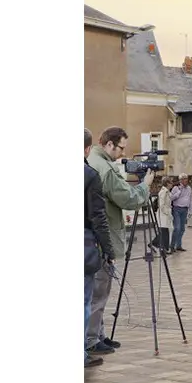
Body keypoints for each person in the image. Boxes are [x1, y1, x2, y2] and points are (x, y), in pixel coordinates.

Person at [85, 126, 152, 356]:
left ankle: (97, 334)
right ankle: (92, 339)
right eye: (121, 147)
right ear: (109, 144)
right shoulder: (104, 168)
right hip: (103, 239)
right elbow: (127, 198)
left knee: (97, 291)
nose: (123, 153)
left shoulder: (94, 161)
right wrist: (145, 186)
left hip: (94, 239)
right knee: (99, 291)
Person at [84, 129, 116, 369]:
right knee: (85, 300)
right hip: (84, 244)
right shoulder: (89, 175)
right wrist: (108, 249)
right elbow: (98, 217)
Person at [169, 174, 192, 252]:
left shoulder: (189, 188)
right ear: (180, 180)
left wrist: (190, 210)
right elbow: (171, 198)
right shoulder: (176, 188)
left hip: (185, 210)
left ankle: (178, 245)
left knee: (182, 229)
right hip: (177, 209)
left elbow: (190, 199)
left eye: (187, 178)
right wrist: (178, 192)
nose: (186, 180)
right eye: (184, 179)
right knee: (177, 228)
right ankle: (172, 246)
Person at [155, 175, 173, 251]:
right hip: (163, 214)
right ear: (167, 183)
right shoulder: (163, 192)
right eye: (171, 182)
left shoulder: (167, 192)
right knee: (164, 231)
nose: (172, 184)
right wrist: (167, 212)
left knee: (165, 231)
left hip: (166, 214)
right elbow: (161, 205)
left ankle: (161, 246)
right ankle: (164, 248)